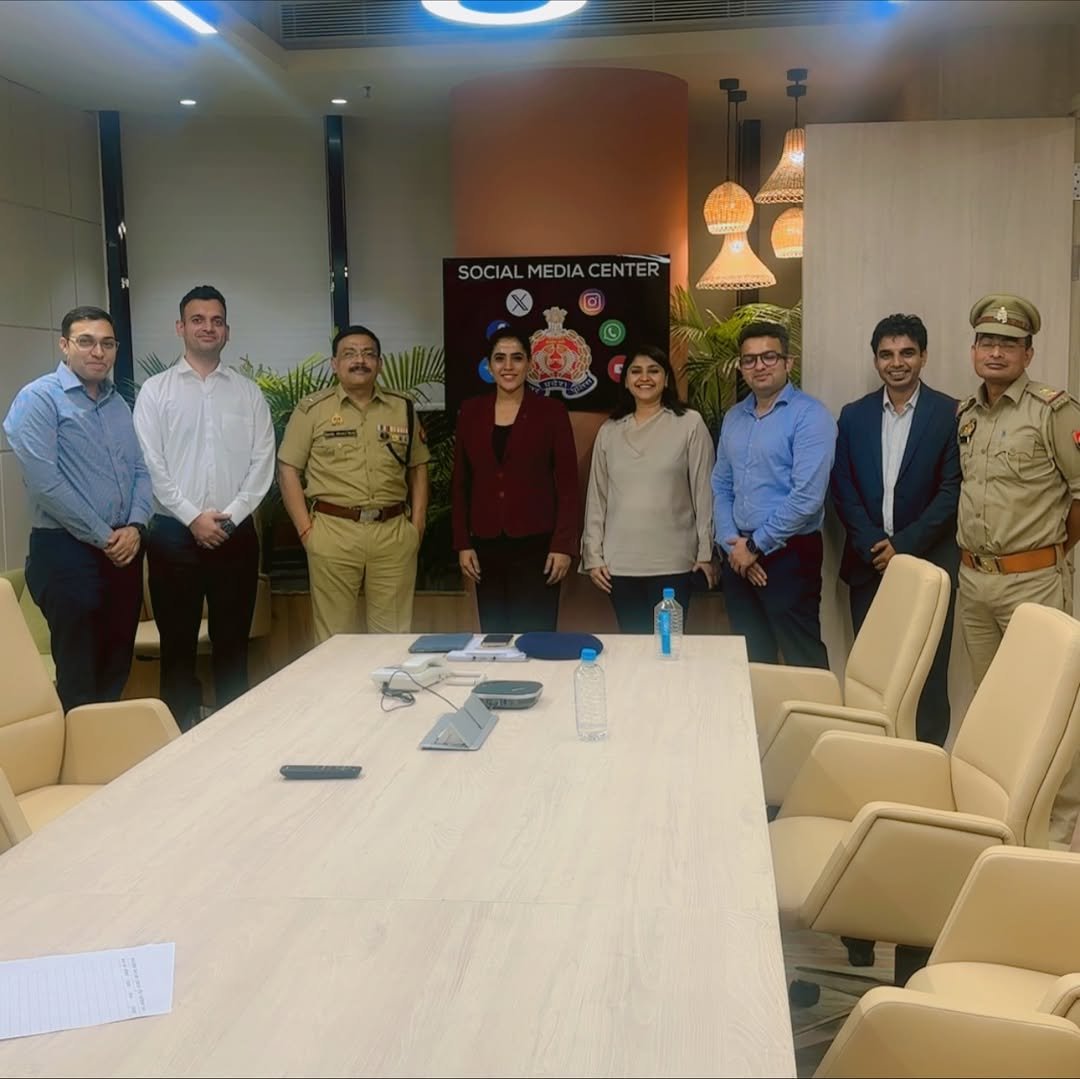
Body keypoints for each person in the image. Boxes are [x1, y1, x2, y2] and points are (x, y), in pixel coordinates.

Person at [956, 293, 1080, 844]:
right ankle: (1003, 815)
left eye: (1009, 343)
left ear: (1028, 353)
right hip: (975, 582)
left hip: (1033, 582)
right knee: (994, 704)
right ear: (973, 350)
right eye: (987, 341)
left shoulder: (1054, 411)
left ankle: (1056, 825)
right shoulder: (967, 415)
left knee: (1050, 707)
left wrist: (1050, 554)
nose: (996, 352)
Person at [133, 285, 275, 732]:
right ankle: (178, 737)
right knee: (177, 646)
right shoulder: (155, 392)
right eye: (198, 319)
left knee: (233, 644)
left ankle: (236, 737)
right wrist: (193, 517)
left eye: (216, 321)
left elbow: (263, 461)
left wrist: (230, 516)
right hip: (173, 535)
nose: (207, 328)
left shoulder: (248, 393)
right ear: (181, 327)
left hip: (236, 533)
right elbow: (150, 464)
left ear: (227, 331)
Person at [3, 305, 152, 713]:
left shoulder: (118, 404)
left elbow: (141, 470)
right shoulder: (38, 399)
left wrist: (136, 526)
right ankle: (77, 751)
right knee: (79, 676)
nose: (97, 352)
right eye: (86, 342)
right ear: (65, 345)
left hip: (123, 551)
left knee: (116, 667)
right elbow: (46, 484)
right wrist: (106, 537)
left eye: (107, 343)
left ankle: (104, 750)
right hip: (66, 552)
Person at [832, 313, 960, 747]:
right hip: (868, 564)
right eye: (886, 354)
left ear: (923, 357)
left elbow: (951, 492)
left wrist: (902, 547)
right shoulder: (853, 416)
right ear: (875, 361)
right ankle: (877, 754)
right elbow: (842, 487)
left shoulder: (950, 414)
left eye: (907, 352)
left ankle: (926, 760)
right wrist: (874, 543)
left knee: (928, 672)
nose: (897, 362)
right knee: (873, 674)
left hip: (929, 565)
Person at [278, 324, 430, 642]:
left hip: (393, 533)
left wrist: (416, 526)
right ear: (334, 364)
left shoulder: (402, 407)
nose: (360, 360)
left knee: (392, 638)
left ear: (380, 363)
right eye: (350, 354)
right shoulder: (312, 410)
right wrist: (306, 531)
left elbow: (418, 467)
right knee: (335, 639)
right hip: (333, 532)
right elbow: (288, 469)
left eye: (368, 354)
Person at [711, 320, 836, 668]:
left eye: (769, 356)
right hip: (737, 552)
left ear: (788, 362)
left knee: (801, 656)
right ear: (741, 367)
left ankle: (815, 710)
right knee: (751, 658)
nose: (759, 366)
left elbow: (807, 498)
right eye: (749, 359)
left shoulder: (811, 416)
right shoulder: (734, 418)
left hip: (790, 553)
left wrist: (755, 547)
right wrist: (734, 545)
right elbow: (721, 485)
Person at [581, 346, 717, 632]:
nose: (645, 378)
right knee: (633, 647)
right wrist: (593, 555)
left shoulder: (689, 423)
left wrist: (706, 553)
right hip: (619, 565)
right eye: (636, 371)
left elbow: (705, 493)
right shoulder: (610, 430)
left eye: (653, 371)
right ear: (626, 381)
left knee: (668, 647)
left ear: (666, 379)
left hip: (674, 562)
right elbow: (597, 498)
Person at [451, 328, 578, 633]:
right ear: (489, 366)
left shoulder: (551, 412)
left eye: (517, 358)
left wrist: (563, 546)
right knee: (496, 638)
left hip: (538, 546)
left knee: (536, 637)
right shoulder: (471, 412)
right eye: (500, 358)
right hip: (486, 546)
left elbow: (568, 486)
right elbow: (460, 484)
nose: (508, 366)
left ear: (529, 364)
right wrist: (463, 543)